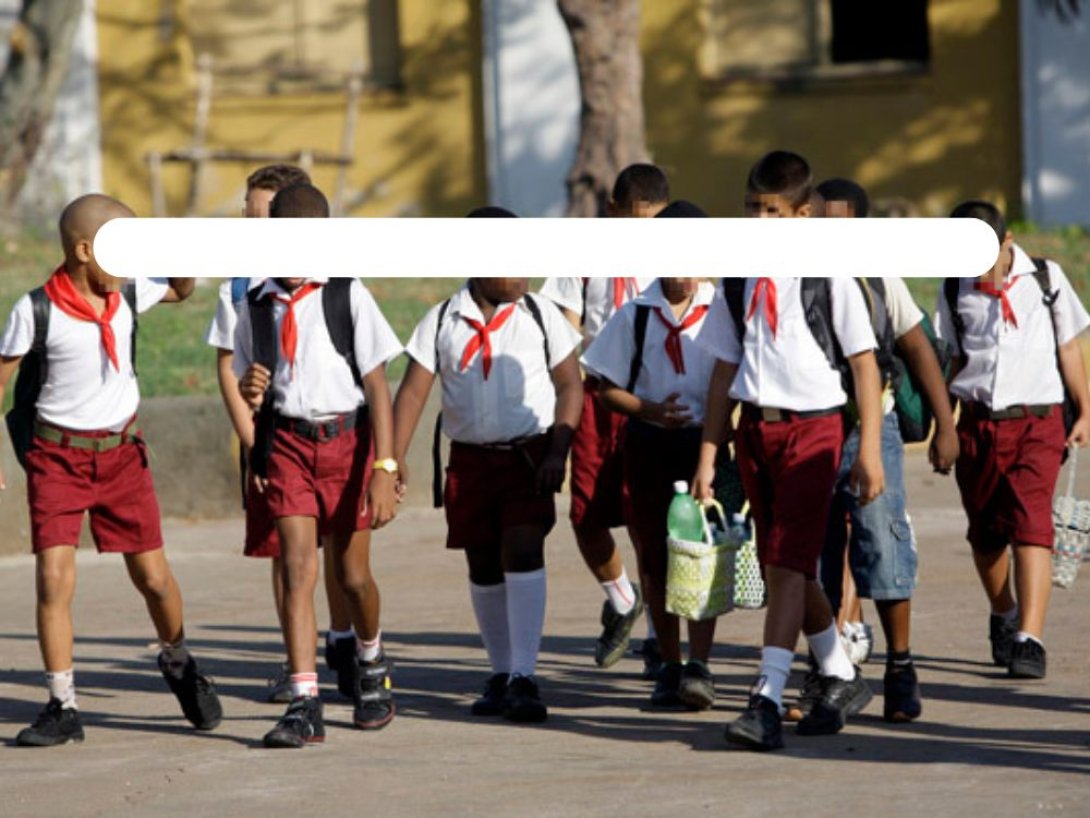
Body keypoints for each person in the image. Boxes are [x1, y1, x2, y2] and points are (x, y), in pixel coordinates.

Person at [0, 194, 221, 746]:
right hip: (58, 458)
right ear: (82, 251)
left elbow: (179, 288)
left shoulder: (127, 290)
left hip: (123, 456)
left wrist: (180, 259)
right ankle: (62, 703)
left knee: (153, 579)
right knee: (53, 580)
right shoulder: (35, 310)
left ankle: (177, 659)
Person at [693, 150, 885, 752]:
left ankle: (767, 698)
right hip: (756, 431)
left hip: (815, 430)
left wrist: (871, 450)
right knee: (793, 566)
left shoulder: (830, 276)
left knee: (783, 566)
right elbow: (725, 367)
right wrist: (708, 450)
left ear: (803, 214)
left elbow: (864, 365)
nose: (758, 222)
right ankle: (839, 671)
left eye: (772, 211)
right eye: (751, 208)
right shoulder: (737, 276)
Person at [234, 183, 402, 747]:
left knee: (352, 578)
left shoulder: (346, 295)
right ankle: (306, 699)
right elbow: (250, 381)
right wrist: (249, 386)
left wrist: (384, 465)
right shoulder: (254, 305)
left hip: (348, 444)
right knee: (297, 570)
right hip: (286, 444)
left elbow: (377, 385)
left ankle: (372, 662)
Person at [792, 177, 959, 724]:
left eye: (838, 223)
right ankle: (831, 670)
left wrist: (946, 426)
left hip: (871, 429)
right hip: (808, 430)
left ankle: (900, 668)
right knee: (810, 555)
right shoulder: (791, 275)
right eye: (818, 221)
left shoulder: (877, 275)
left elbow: (917, 348)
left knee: (882, 547)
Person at [393, 245, 583, 723]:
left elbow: (570, 384)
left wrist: (559, 449)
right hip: (470, 462)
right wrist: (390, 459)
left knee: (522, 549)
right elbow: (413, 392)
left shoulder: (540, 315)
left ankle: (524, 675)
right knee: (482, 562)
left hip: (528, 456)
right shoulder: (442, 321)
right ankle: (499, 673)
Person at [204, 164, 357, 703]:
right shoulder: (241, 285)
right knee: (285, 551)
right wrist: (252, 440)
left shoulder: (332, 281)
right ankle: (300, 663)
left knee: (338, 547)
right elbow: (229, 365)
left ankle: (344, 640)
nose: (254, 221)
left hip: (330, 434)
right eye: (249, 212)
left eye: (264, 212)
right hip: (271, 437)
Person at [937, 199, 1090, 679]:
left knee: (1031, 524)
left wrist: (1086, 409)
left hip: (1037, 423)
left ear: (1007, 243)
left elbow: (1067, 346)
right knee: (986, 535)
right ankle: (1003, 611)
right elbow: (952, 359)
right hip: (978, 424)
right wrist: (943, 425)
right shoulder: (953, 287)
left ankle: (1030, 638)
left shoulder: (1046, 280)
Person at [539, 162, 667, 675]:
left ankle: (662, 635)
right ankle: (620, 598)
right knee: (586, 515)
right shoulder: (580, 259)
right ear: (610, 212)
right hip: (594, 398)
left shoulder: (673, 260)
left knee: (649, 520)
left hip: (651, 398)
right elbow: (565, 336)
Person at [582, 264, 720, 710]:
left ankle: (700, 665)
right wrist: (650, 409)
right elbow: (606, 388)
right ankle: (670, 662)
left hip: (705, 445)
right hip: (648, 444)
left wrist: (717, 441)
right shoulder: (635, 314)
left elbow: (735, 378)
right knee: (655, 559)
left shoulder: (719, 308)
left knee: (701, 557)